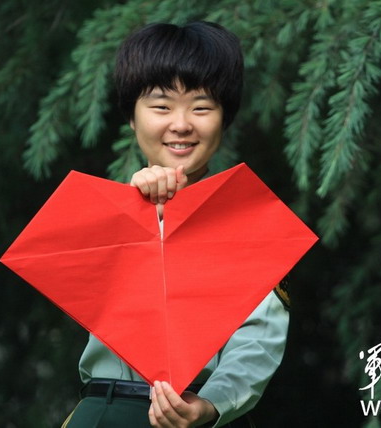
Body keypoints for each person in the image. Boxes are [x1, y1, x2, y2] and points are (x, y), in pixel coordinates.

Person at [62, 21, 290, 428]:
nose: (181, 124)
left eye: (201, 107)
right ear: (132, 118)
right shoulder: (99, 216)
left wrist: (212, 404)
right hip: (106, 411)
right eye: (161, 107)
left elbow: (258, 340)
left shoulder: (252, 225)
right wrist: (143, 211)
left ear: (224, 118)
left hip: (202, 412)